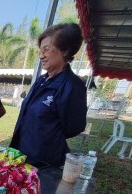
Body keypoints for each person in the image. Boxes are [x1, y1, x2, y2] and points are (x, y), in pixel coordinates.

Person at [9, 23, 87, 167]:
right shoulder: (42, 80)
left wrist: (48, 137)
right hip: (21, 155)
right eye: (40, 50)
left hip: (43, 162)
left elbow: (74, 128)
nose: (41, 55)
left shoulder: (72, 87)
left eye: (46, 49)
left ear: (65, 51)